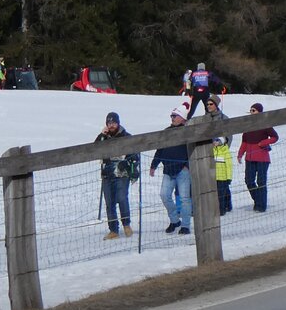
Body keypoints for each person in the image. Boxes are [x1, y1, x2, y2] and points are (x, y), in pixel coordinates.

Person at [149, 103, 193, 234]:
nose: (172, 118)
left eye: (175, 116)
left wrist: (187, 166)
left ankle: (185, 225)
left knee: (185, 198)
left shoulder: (188, 132)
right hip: (168, 170)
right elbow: (160, 150)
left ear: (183, 119)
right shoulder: (166, 132)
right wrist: (153, 165)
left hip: (183, 170)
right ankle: (174, 220)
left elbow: (192, 150)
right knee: (164, 195)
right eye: (172, 116)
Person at [96, 111, 139, 239]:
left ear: (118, 123)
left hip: (122, 172)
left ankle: (126, 225)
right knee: (109, 202)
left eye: (113, 123)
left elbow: (134, 155)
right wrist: (101, 136)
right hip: (107, 173)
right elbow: (93, 149)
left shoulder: (126, 136)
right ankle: (113, 230)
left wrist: (127, 164)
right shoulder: (104, 137)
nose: (111, 125)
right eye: (109, 123)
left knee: (121, 198)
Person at [237, 103, 279, 212]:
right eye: (251, 110)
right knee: (249, 181)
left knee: (261, 182)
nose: (251, 112)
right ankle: (258, 201)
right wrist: (240, 154)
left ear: (259, 112)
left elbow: (275, 137)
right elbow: (244, 142)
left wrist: (263, 143)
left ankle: (261, 206)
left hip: (262, 158)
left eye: (254, 110)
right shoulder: (247, 126)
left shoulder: (265, 124)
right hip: (249, 159)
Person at [202, 96, 233, 214]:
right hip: (207, 152)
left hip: (220, 151)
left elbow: (228, 135)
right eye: (207, 104)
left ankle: (225, 205)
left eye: (211, 104)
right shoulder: (204, 119)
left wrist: (221, 143)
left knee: (222, 181)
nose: (208, 106)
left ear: (216, 105)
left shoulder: (223, 118)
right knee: (212, 180)